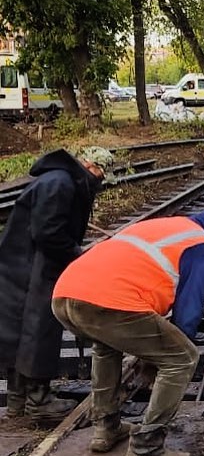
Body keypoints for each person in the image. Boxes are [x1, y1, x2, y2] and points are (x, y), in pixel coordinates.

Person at [51, 208, 204, 456]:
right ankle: (147, 449)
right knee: (182, 358)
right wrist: (163, 355)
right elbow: (189, 312)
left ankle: (107, 427)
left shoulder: (165, 228)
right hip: (109, 301)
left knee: (106, 344)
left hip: (65, 294)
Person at [0, 146, 113, 424]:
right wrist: (78, 254)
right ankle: (38, 401)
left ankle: (18, 401)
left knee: (19, 331)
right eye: (102, 173)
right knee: (38, 331)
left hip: (21, 264)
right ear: (91, 166)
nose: (101, 181)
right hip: (34, 267)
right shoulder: (61, 184)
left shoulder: (59, 179)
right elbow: (48, 232)